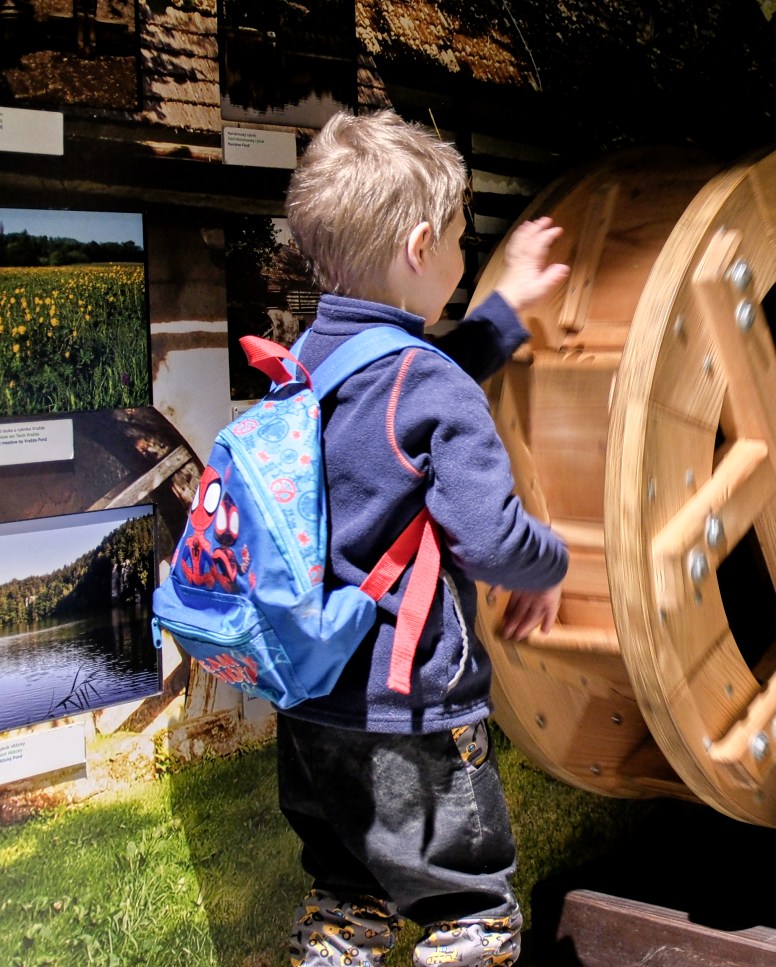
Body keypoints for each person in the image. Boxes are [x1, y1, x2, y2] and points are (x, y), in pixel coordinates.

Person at [275, 108, 570, 967]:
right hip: (412, 714)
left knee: (346, 902)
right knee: (470, 918)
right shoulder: (430, 388)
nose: (463, 258)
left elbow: (414, 379)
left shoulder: (302, 366)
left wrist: (507, 309)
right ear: (418, 247)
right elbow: (491, 538)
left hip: (309, 710)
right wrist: (550, 564)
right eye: (459, 240)